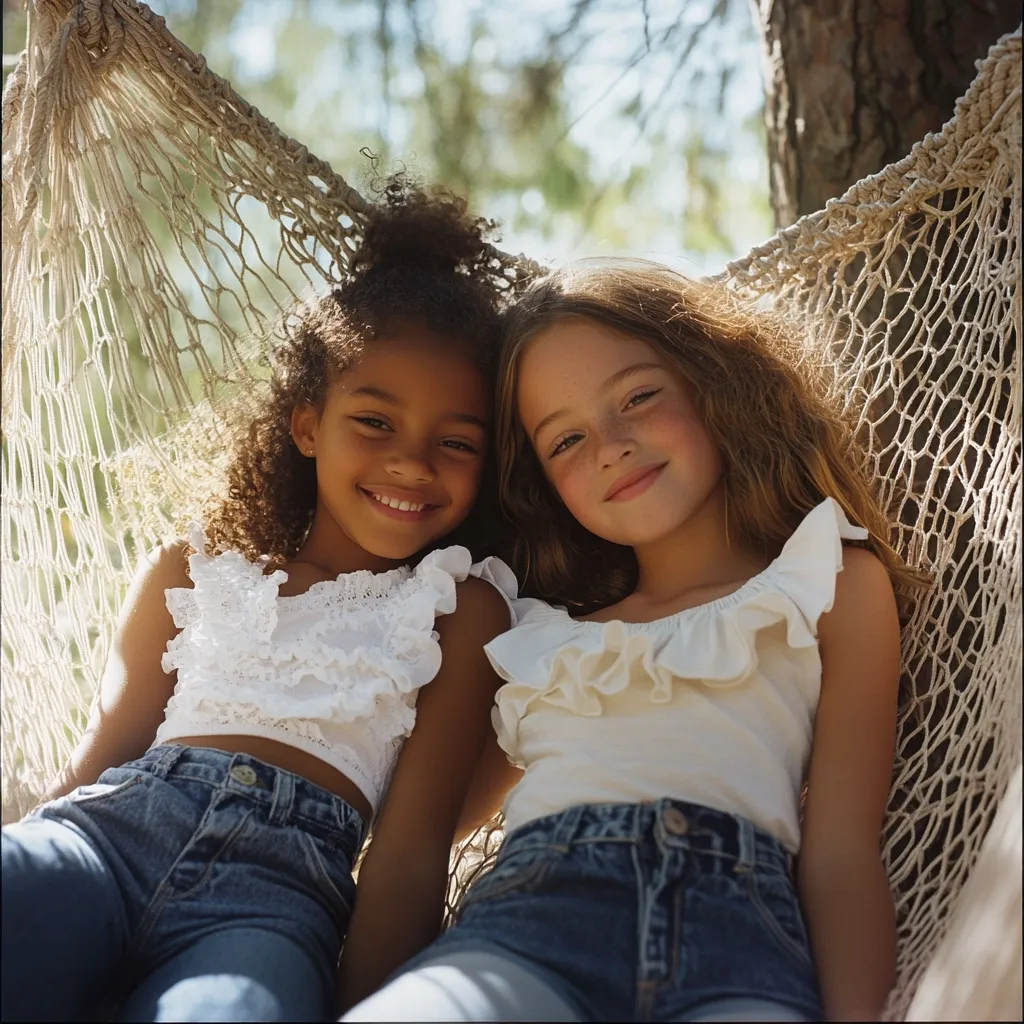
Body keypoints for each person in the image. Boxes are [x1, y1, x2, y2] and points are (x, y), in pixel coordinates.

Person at [343, 259, 928, 1023]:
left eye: (639, 398)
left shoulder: (826, 580)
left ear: (711, 382)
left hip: (737, 947)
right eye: (566, 440)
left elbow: (842, 856)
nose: (610, 446)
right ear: (543, 487)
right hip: (526, 932)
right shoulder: (534, 637)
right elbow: (418, 836)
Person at [1, 178, 523, 1023]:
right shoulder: (193, 570)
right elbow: (99, 760)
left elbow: (408, 854)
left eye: (456, 442)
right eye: (375, 422)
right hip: (105, 839)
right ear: (307, 424)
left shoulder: (457, 611)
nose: (412, 462)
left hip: (272, 904)